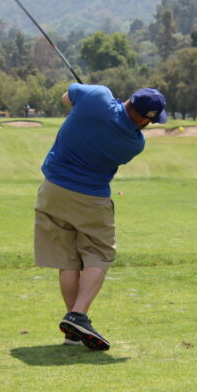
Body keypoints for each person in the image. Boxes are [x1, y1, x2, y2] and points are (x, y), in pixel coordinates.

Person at [34, 82, 167, 351]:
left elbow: (66, 97)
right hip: (91, 199)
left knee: (67, 259)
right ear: (143, 119)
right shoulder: (134, 143)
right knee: (100, 253)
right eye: (150, 122)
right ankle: (78, 315)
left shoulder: (97, 96)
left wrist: (93, 100)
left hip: (53, 189)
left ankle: (73, 332)